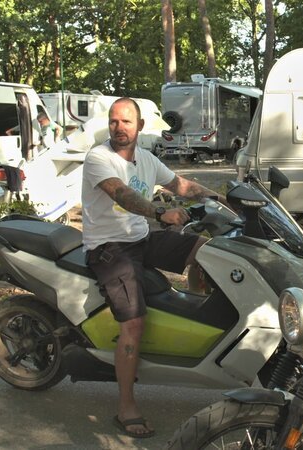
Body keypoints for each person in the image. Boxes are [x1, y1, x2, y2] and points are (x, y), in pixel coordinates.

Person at [81, 97, 225, 438]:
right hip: (109, 248)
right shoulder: (98, 158)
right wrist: (161, 213)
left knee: (208, 249)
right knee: (133, 322)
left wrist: (222, 198)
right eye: (114, 122)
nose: (119, 128)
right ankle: (125, 405)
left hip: (141, 240)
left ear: (140, 127)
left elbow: (182, 186)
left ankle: (196, 312)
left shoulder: (146, 158)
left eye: (127, 122)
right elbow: (122, 195)